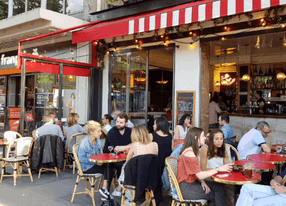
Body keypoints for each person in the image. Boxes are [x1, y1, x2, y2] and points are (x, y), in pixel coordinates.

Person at [177, 127, 232, 206]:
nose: (205, 138)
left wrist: (202, 181)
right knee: (218, 195)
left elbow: (196, 172)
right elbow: (200, 174)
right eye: (203, 136)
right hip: (187, 188)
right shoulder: (190, 154)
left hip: (192, 183)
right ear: (196, 138)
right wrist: (219, 169)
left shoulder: (191, 150)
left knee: (219, 188)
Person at [100, 112, 132, 199]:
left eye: (121, 122)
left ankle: (119, 189)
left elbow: (135, 143)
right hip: (110, 157)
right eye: (117, 121)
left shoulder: (130, 131)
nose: (118, 124)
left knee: (130, 165)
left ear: (126, 123)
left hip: (124, 157)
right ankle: (107, 189)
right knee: (113, 165)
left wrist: (125, 147)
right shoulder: (112, 132)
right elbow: (116, 148)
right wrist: (128, 146)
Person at [200, 129, 235, 206]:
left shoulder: (223, 149)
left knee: (230, 185)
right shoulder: (205, 149)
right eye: (216, 139)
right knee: (225, 187)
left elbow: (226, 166)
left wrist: (229, 168)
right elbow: (204, 169)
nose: (219, 141)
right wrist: (220, 169)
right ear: (212, 140)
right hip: (209, 177)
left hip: (221, 176)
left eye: (221, 139)